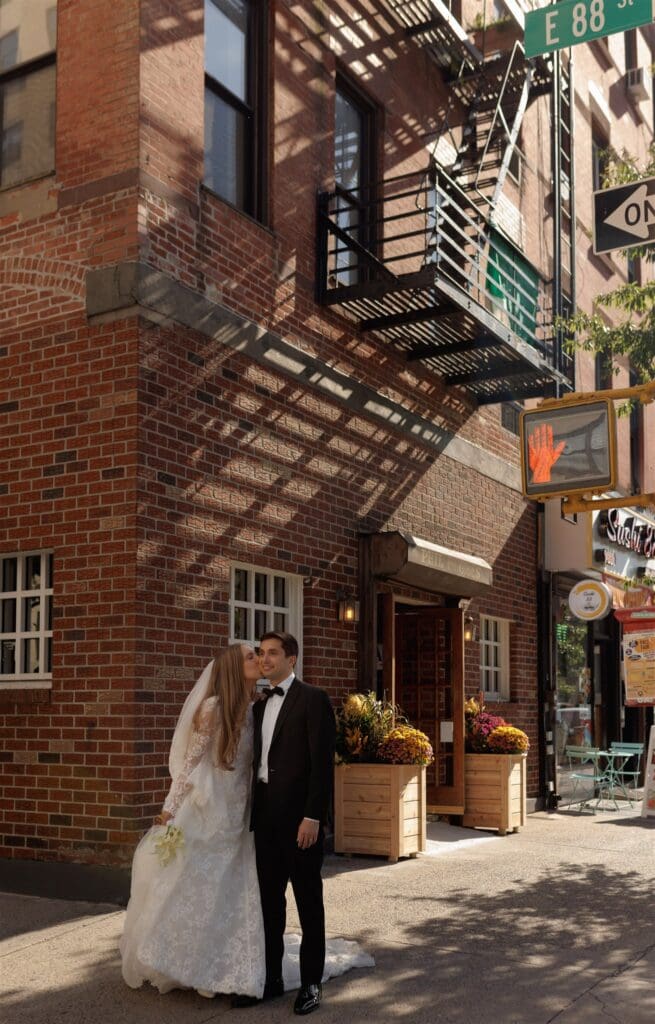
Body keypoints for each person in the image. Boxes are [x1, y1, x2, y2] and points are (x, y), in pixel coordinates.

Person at [119, 644, 266, 1000]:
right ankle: (185, 960)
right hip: (208, 806)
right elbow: (189, 766)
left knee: (234, 887)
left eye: (260, 653)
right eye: (250, 656)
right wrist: (169, 811)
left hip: (241, 809)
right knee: (197, 882)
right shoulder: (212, 709)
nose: (259, 659)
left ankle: (229, 960)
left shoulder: (258, 705)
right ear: (233, 668)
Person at [250, 631, 336, 1017]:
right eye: (261, 653)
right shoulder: (258, 706)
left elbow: (321, 765)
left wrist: (313, 816)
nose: (264, 659)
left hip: (301, 820)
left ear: (292, 659)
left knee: (307, 901)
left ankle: (311, 983)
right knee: (270, 903)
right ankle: (272, 979)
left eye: (272, 653)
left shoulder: (313, 699)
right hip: (265, 819)